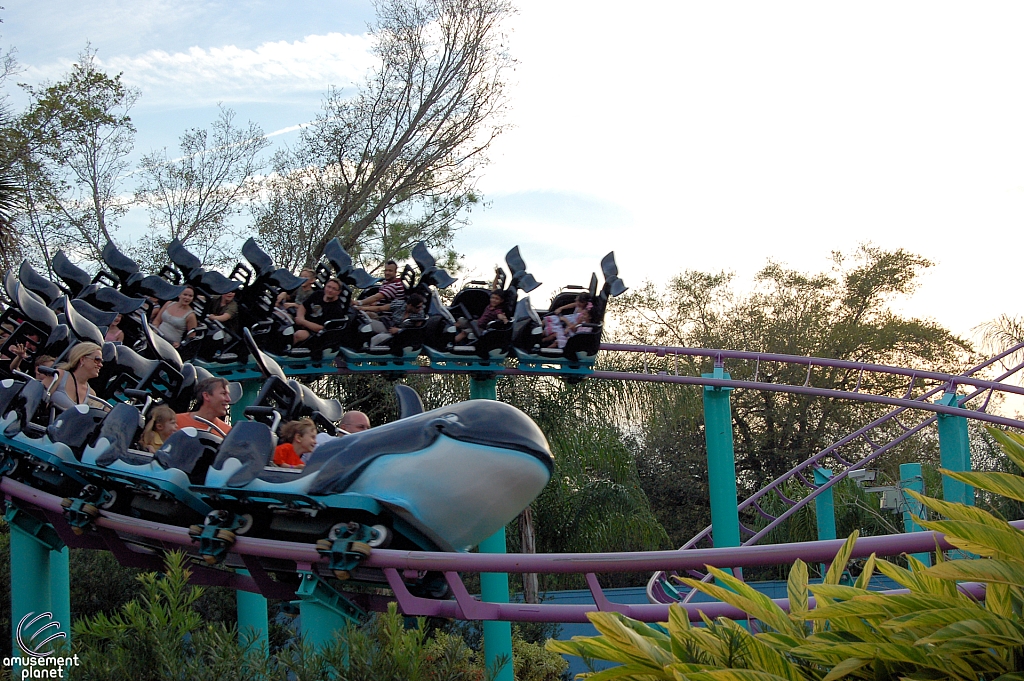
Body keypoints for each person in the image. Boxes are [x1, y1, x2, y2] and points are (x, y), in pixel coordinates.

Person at [48, 342, 106, 412]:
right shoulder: (58, 375)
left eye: (101, 361)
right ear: (82, 359)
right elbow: (36, 398)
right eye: (97, 360)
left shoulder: (91, 394)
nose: (101, 365)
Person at [293, 279, 348, 344]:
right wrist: (300, 318)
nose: (330, 290)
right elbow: (303, 306)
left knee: (299, 335)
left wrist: (303, 322)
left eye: (334, 289)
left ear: (338, 292)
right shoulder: (318, 294)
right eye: (328, 287)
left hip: (313, 333)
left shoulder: (336, 309)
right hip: (302, 320)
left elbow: (321, 328)